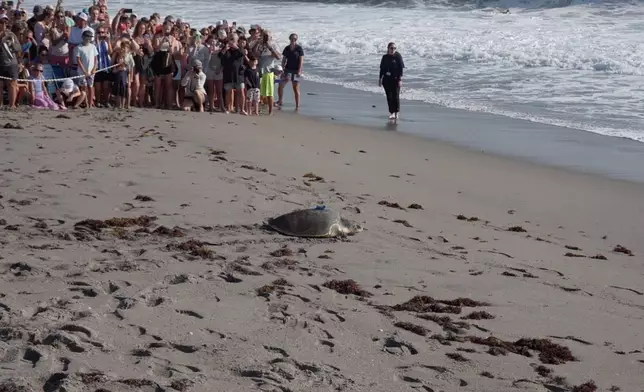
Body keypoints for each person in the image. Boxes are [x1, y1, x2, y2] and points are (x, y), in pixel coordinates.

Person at [378, 42, 404, 120]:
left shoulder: (398, 56)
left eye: (394, 48)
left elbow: (401, 69)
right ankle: (391, 113)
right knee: (389, 97)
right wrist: (380, 79)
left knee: (395, 96)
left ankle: (396, 113)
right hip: (386, 79)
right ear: (388, 49)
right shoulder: (384, 57)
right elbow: (382, 69)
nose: (393, 50)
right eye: (391, 48)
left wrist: (400, 80)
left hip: (395, 79)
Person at [277, 32, 303, 109]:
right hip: (287, 70)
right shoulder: (287, 48)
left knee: (295, 88)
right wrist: (282, 69)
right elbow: (284, 59)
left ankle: (297, 105)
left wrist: (299, 71)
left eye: (295, 39)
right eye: (292, 38)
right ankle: (280, 101)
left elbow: (301, 61)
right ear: (290, 39)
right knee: (280, 85)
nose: (293, 40)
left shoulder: (299, 48)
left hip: (296, 71)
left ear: (296, 39)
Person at [0, 14, 21, 109]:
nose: (4, 24)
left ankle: (12, 105)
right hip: (1, 63)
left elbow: (18, 48)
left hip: (11, 63)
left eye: (5, 22)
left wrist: (12, 43)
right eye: (2, 22)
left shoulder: (11, 34)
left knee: (12, 84)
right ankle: (0, 104)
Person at [74, 29, 98, 107]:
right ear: (83, 37)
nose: (89, 39)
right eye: (87, 37)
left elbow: (96, 59)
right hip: (82, 72)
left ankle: (90, 104)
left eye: (90, 37)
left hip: (91, 72)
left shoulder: (93, 47)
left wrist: (94, 69)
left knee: (90, 87)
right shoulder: (79, 47)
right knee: (83, 88)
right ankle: (85, 103)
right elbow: (78, 60)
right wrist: (84, 71)